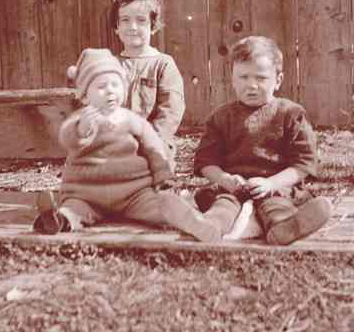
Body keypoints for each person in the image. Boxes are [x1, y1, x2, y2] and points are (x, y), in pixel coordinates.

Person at [32, 48, 221, 243]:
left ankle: (191, 219)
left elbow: (154, 149)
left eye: (115, 84)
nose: (110, 90)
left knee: (159, 206)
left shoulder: (132, 120)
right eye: (101, 86)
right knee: (74, 209)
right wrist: (82, 130)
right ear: (85, 96)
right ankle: (57, 220)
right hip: (87, 193)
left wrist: (163, 177)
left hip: (133, 192)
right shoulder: (81, 119)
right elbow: (67, 139)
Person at [193, 36, 332, 245]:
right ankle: (209, 226)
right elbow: (206, 162)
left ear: (278, 80)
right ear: (232, 79)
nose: (252, 85)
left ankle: (284, 229)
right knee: (223, 207)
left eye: (261, 78)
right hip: (233, 188)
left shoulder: (291, 114)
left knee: (277, 207)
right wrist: (225, 179)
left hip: (275, 186)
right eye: (243, 77)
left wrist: (271, 183)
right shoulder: (220, 117)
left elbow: (303, 165)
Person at [110, 0, 185, 169]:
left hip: (153, 142)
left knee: (155, 165)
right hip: (116, 142)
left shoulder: (163, 64)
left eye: (141, 20)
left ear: (153, 25)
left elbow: (170, 110)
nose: (132, 26)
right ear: (116, 26)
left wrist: (150, 140)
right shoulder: (110, 65)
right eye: (125, 20)